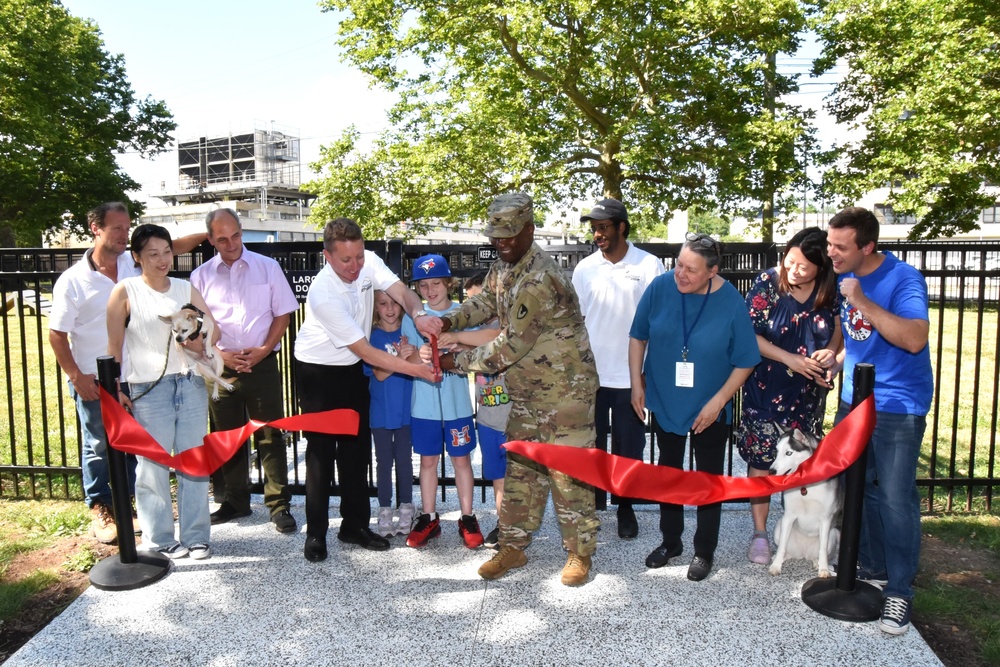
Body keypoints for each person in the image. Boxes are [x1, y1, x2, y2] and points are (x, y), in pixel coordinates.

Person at [419, 192, 601, 586]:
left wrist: (455, 362)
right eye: (495, 236)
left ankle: (579, 554)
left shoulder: (540, 279)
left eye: (508, 235)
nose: (500, 243)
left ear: (529, 230)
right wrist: (448, 322)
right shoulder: (505, 267)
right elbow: (485, 302)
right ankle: (514, 547)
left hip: (565, 396)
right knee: (521, 474)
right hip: (529, 393)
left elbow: (510, 346)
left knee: (569, 476)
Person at [49, 202, 204, 545]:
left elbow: (169, 247)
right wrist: (76, 376)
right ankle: (101, 507)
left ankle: (138, 512)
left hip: (135, 377)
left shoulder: (133, 265)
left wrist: (212, 231)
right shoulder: (73, 281)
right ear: (96, 229)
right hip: (93, 376)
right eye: (116, 228)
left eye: (127, 227)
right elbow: (56, 334)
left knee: (141, 451)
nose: (123, 234)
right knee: (100, 446)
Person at [293, 218, 437, 563]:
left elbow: (400, 290)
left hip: (350, 371)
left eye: (359, 256)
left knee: (356, 451)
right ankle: (316, 533)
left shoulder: (367, 260)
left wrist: (416, 313)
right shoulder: (323, 292)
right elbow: (366, 351)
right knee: (321, 454)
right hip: (318, 371)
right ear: (327, 256)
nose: (356, 266)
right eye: (346, 260)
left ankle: (354, 525)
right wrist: (418, 370)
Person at [628, 232, 760, 581]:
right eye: (678, 265)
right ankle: (671, 542)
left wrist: (718, 402)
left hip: (710, 408)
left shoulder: (731, 301)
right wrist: (635, 383)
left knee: (708, 481)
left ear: (712, 272)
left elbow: (747, 359)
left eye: (691, 269)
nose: (680, 274)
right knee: (668, 475)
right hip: (666, 399)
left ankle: (704, 551)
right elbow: (638, 335)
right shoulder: (659, 288)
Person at [826, 207, 932, 636]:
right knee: (858, 489)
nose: (831, 252)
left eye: (840, 246)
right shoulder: (843, 275)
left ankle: (900, 592)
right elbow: (846, 329)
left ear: (867, 247)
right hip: (854, 400)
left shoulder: (903, 279)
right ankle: (871, 564)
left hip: (898, 405)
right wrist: (835, 358)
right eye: (830, 243)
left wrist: (861, 299)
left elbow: (914, 338)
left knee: (893, 497)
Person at [106, 224, 216, 560]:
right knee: (152, 465)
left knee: (194, 461)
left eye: (167, 251)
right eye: (152, 254)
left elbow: (213, 327)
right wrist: (118, 388)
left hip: (190, 383)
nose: (162, 259)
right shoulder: (125, 291)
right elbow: (114, 347)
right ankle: (159, 537)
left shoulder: (186, 287)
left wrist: (200, 342)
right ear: (137, 257)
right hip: (148, 389)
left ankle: (197, 536)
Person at [189, 209, 299, 534]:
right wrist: (219, 354)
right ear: (210, 240)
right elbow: (196, 328)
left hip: (262, 363)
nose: (232, 243)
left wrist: (264, 349)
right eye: (222, 238)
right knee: (228, 438)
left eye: (236, 235)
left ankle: (279, 505)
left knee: (270, 434)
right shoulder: (200, 277)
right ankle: (235, 502)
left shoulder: (268, 267)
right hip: (219, 367)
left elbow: (284, 314)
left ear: (241, 231)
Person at [738, 227, 842, 565]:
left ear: (820, 268)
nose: (793, 271)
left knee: (803, 461)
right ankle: (760, 533)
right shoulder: (768, 283)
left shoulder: (834, 288)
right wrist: (790, 359)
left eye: (803, 267)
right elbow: (748, 335)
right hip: (767, 389)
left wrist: (831, 354)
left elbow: (842, 332)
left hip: (808, 395)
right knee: (762, 461)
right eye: (789, 261)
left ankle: (800, 524)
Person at [572, 198, 664, 539]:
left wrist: (646, 372)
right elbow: (577, 321)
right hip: (592, 376)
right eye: (594, 228)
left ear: (621, 227)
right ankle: (595, 504)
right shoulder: (585, 269)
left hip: (631, 377)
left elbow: (657, 323)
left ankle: (625, 507)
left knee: (629, 448)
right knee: (592, 444)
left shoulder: (650, 266)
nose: (597, 234)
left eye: (603, 227)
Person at [402, 254, 482, 549]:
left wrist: (457, 343)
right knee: (428, 461)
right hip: (423, 405)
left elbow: (477, 348)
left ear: (449, 283)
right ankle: (429, 516)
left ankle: (468, 516)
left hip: (457, 404)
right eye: (423, 285)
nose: (430, 290)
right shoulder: (415, 317)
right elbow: (405, 355)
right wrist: (416, 356)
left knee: (461, 460)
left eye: (436, 283)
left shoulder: (463, 313)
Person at [436, 272, 510, 549]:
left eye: (478, 300)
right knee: (499, 478)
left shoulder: (507, 325)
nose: (472, 309)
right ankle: (504, 528)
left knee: (523, 480)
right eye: (469, 302)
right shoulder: (470, 335)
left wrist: (457, 339)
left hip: (517, 422)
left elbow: (496, 339)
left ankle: (519, 529)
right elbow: (460, 363)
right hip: (489, 421)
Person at [363, 290, 417, 537]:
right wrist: (398, 357)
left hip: (406, 410)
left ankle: (406, 507)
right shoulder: (372, 338)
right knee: (383, 462)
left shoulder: (409, 333)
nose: (390, 309)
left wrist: (410, 357)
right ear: (375, 308)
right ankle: (384, 509)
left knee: (405, 460)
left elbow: (421, 365)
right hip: (381, 411)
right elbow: (379, 373)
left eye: (395, 303)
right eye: (383, 303)